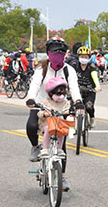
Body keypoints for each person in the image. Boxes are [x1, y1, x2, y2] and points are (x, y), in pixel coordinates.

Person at [25, 37, 84, 191]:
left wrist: (78, 101)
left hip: (60, 105)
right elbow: (35, 85)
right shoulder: (42, 69)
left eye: (61, 52)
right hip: (41, 104)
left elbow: (74, 87)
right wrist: (31, 98)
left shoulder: (68, 70)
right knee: (31, 126)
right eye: (55, 51)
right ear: (49, 53)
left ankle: (62, 177)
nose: (58, 54)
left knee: (61, 144)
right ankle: (35, 147)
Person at [38, 77, 70, 158]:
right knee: (48, 129)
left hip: (59, 124)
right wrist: (44, 114)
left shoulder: (65, 103)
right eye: (57, 93)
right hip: (48, 124)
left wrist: (69, 112)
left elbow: (68, 109)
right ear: (51, 93)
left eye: (62, 92)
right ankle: (44, 148)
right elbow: (40, 112)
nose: (60, 96)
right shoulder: (46, 102)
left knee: (63, 130)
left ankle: (59, 148)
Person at [74, 46, 101, 128]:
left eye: (86, 57)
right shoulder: (75, 66)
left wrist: (97, 86)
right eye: (82, 57)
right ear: (78, 57)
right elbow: (70, 77)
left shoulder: (91, 67)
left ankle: (92, 118)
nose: (83, 59)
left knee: (89, 106)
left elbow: (95, 77)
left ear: (89, 58)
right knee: (72, 107)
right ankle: (74, 125)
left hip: (90, 91)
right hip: (77, 91)